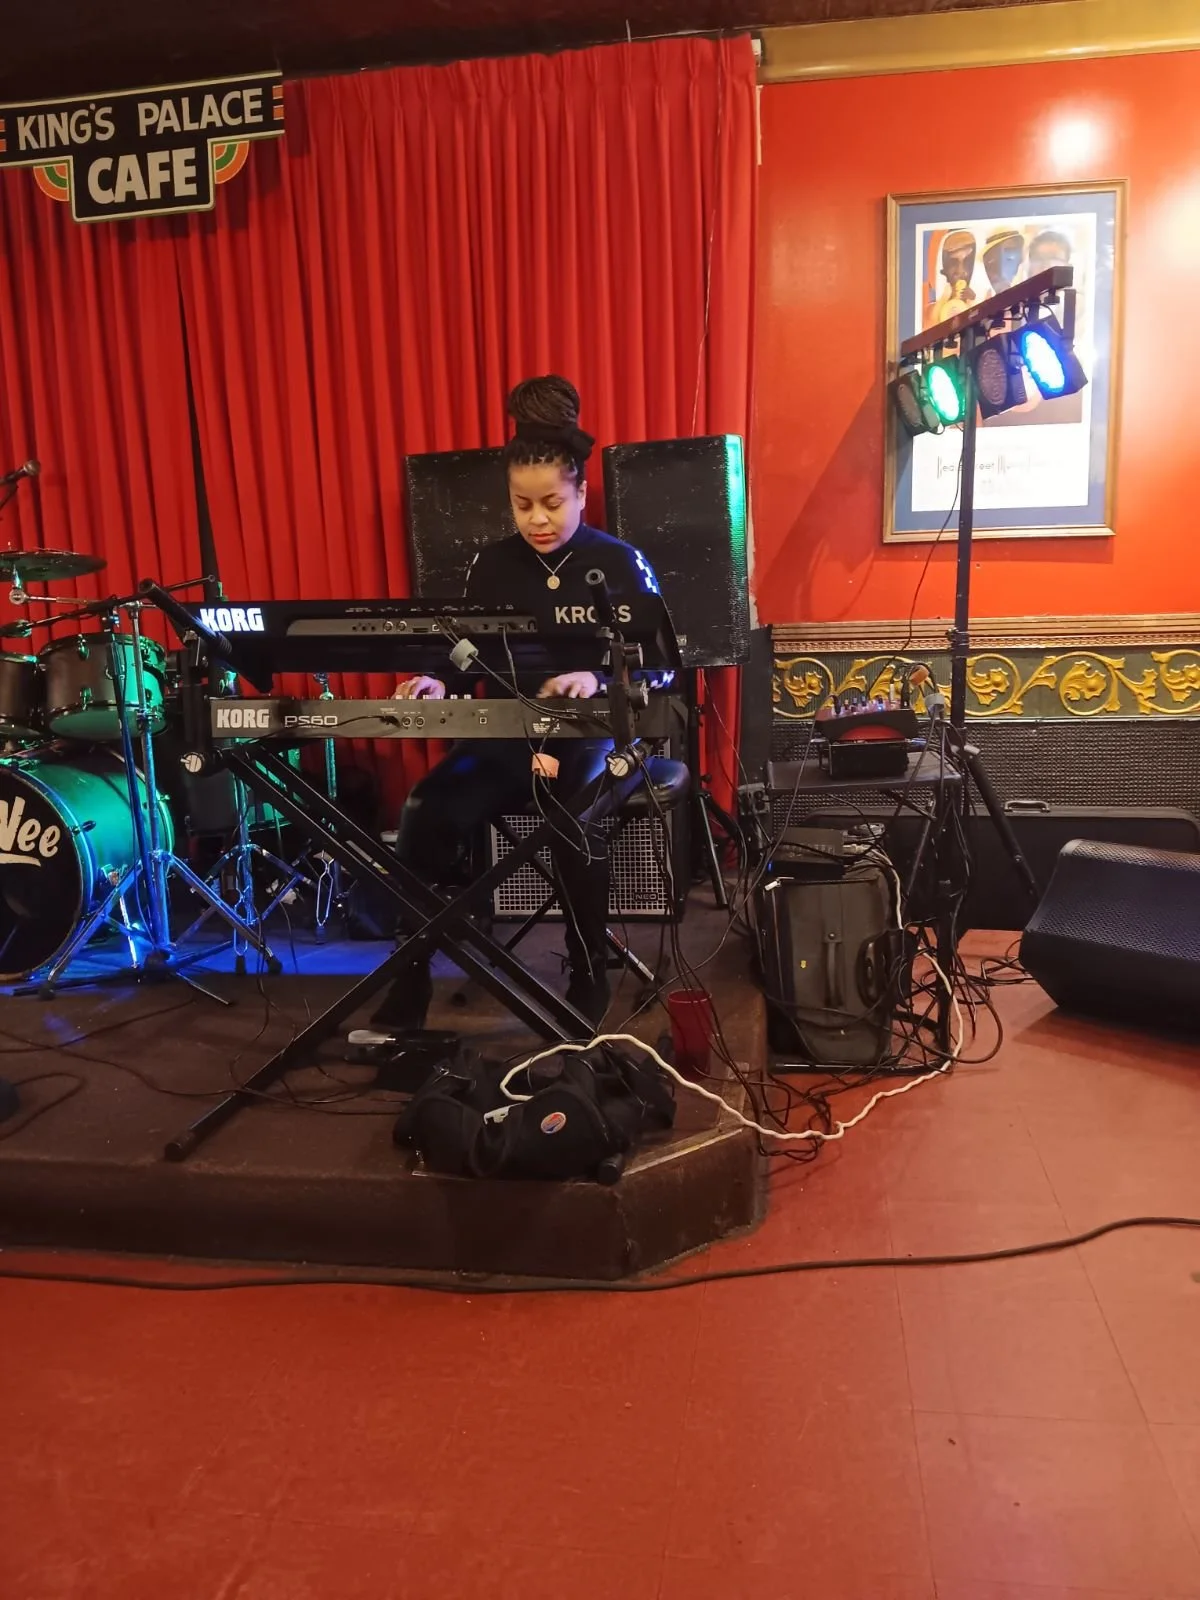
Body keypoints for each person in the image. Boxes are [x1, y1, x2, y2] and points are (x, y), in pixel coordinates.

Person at [373, 375, 666, 1031]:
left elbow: (662, 662)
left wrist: (595, 677)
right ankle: (411, 976)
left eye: (552, 504)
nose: (537, 519)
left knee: (575, 812)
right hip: (510, 741)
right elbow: (464, 647)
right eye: (522, 504)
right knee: (427, 806)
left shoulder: (619, 563)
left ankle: (589, 966)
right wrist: (436, 681)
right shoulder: (492, 565)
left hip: (591, 742)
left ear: (583, 494)